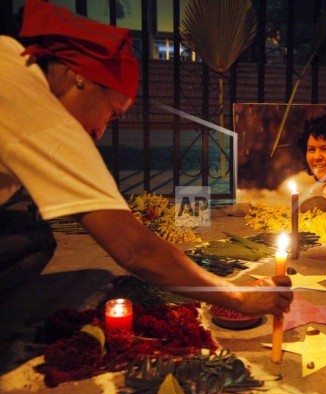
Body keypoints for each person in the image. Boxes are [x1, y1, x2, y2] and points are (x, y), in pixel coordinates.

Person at [0, 0, 292, 318]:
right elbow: (136, 250)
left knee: (30, 237)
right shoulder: (40, 110)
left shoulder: (10, 59)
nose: (99, 131)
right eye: (111, 113)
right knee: (29, 241)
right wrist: (239, 298)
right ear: (80, 78)